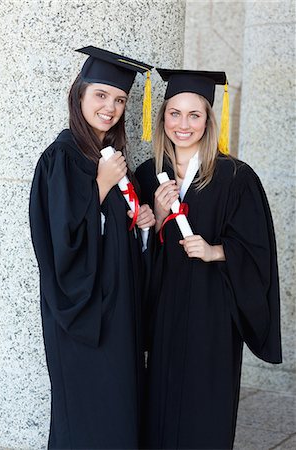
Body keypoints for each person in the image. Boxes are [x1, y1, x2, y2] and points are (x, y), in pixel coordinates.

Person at [135, 69, 282, 450]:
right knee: (161, 404)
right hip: (166, 311)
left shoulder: (236, 177)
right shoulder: (149, 174)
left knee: (205, 404)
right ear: (162, 116)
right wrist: (157, 218)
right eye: (174, 113)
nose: (183, 125)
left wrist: (216, 251)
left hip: (212, 312)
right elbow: (133, 250)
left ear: (209, 120)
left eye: (194, 115)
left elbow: (259, 250)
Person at [29, 46, 155, 449]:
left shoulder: (114, 160)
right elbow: (60, 243)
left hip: (119, 313)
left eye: (119, 99)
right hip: (83, 317)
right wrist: (99, 187)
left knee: (119, 412)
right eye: (101, 95)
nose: (111, 107)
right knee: (87, 416)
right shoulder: (61, 158)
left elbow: (120, 240)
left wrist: (142, 226)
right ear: (79, 94)